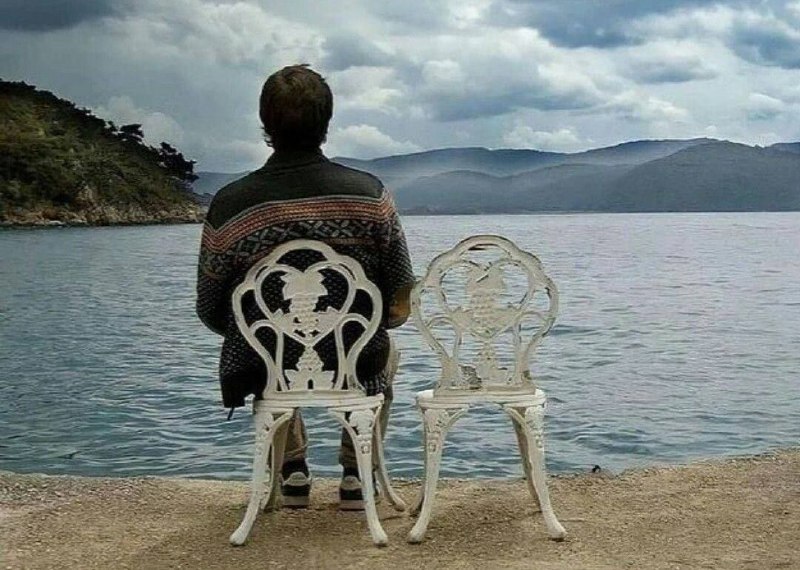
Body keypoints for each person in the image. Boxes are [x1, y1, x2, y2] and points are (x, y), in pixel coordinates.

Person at [195, 64, 415, 510]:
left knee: (270, 346)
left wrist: (268, 331)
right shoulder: (369, 195)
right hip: (357, 357)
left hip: (269, 362)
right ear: (327, 121)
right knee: (384, 350)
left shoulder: (230, 203)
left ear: (265, 123)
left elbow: (210, 305)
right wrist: (366, 325)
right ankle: (356, 473)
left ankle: (292, 470)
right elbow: (400, 294)